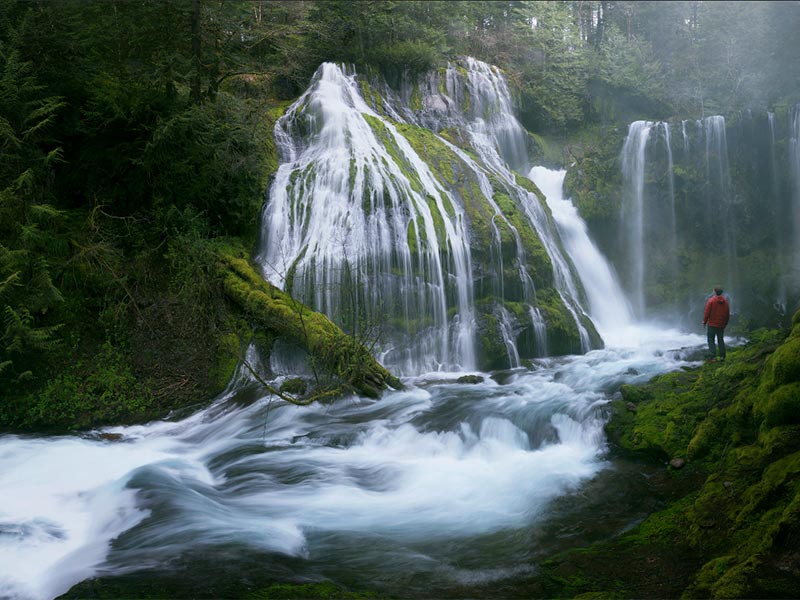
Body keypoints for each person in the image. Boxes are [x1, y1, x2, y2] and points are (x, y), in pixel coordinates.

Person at [703, 286, 730, 362]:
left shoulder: (711, 301)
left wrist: (704, 322)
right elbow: (727, 314)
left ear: (714, 291)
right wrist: (725, 324)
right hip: (721, 324)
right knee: (720, 340)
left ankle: (713, 356)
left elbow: (707, 313)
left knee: (711, 340)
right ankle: (722, 356)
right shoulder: (725, 302)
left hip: (712, 324)